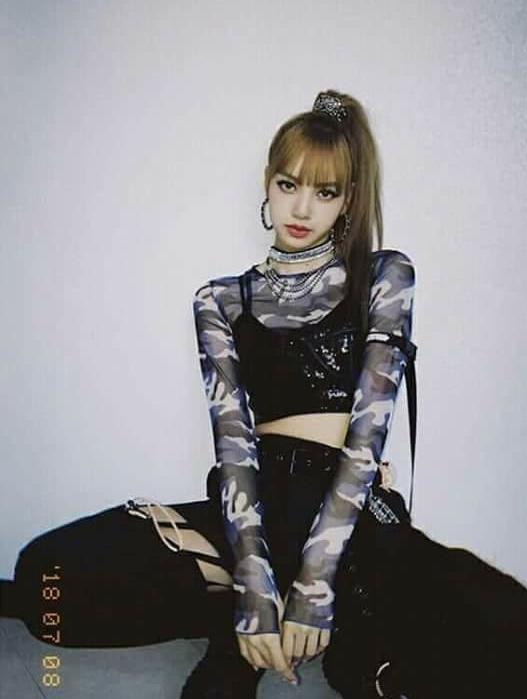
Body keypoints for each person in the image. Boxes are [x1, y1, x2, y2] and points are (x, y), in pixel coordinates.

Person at [176, 89, 416, 699]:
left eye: (325, 192)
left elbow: (369, 434)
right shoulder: (220, 299)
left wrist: (314, 577)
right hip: (259, 496)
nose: (302, 207)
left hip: (344, 498)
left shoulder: (384, 276)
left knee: (383, 655)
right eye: (289, 185)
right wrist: (254, 582)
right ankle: (248, 614)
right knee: (56, 569)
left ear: (348, 200)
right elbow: (232, 442)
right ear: (268, 184)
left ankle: (340, 637)